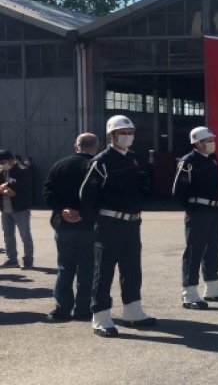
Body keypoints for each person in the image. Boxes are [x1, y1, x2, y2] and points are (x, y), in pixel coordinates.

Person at [80, 115, 157, 337]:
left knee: (132, 269)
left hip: (132, 223)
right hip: (109, 222)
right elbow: (86, 196)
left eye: (131, 132)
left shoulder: (132, 158)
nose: (128, 136)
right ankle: (101, 317)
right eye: (123, 133)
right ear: (112, 135)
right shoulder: (100, 162)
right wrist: (98, 221)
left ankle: (133, 311)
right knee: (104, 271)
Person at [172, 126, 218, 309]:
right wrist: (193, 207)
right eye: (208, 141)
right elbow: (178, 191)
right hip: (198, 210)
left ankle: (212, 287)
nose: (212, 143)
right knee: (194, 250)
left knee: (214, 247)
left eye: (212, 139)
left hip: (216, 210)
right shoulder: (188, 162)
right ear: (197, 143)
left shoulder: (213, 159)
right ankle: (190, 292)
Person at [42, 133, 100, 321]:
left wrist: (63, 210)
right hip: (89, 225)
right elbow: (100, 197)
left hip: (63, 225)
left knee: (64, 267)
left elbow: (47, 193)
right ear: (96, 147)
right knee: (87, 268)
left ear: (76, 146)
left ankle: (61, 309)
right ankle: (83, 309)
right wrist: (83, 213)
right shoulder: (98, 166)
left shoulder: (59, 165)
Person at [0, 149, 35, 269]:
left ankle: (28, 260)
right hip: (5, 209)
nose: (1, 165)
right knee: (8, 235)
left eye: (3, 162)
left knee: (25, 235)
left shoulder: (23, 170)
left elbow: (26, 187)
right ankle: (12, 259)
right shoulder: (1, 172)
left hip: (21, 208)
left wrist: (10, 187)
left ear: (11, 160)